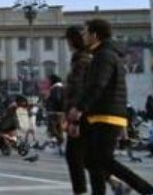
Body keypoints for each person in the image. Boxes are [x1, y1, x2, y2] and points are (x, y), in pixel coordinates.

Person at [69, 18, 153, 195]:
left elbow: (98, 84)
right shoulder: (103, 54)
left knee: (103, 160)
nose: (83, 36)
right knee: (93, 160)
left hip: (107, 115)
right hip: (102, 114)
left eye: (85, 33)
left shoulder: (104, 55)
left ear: (95, 35)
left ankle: (146, 189)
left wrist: (79, 108)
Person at [64, 25, 92, 194]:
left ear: (73, 40)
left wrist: (74, 119)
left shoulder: (81, 61)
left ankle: (80, 192)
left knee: (73, 155)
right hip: (83, 113)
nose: (67, 43)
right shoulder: (83, 58)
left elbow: (78, 89)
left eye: (68, 40)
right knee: (86, 156)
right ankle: (114, 181)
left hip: (80, 114)